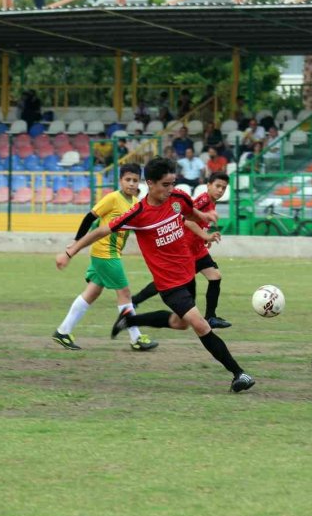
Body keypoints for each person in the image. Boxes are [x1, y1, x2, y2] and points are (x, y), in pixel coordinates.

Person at [56, 157, 255, 393]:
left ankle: (131, 319)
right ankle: (238, 374)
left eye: (172, 183)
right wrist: (70, 251)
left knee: (179, 324)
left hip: (187, 274)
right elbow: (100, 230)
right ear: (150, 183)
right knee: (200, 325)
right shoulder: (138, 212)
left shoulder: (178, 197)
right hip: (168, 284)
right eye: (165, 185)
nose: (170, 189)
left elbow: (189, 213)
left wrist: (204, 218)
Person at [52, 164, 157, 352]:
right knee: (124, 294)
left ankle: (63, 331)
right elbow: (90, 218)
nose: (132, 184)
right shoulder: (112, 198)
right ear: (120, 181)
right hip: (105, 252)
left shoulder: (135, 203)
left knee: (92, 293)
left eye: (135, 180)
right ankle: (136, 338)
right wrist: (75, 242)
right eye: (128, 180)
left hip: (112, 252)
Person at [129, 172, 232, 329]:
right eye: (217, 186)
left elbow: (198, 223)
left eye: (223, 188)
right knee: (167, 283)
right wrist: (205, 235)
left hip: (198, 249)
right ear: (208, 185)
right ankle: (134, 301)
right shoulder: (203, 200)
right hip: (187, 251)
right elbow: (187, 220)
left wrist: (204, 238)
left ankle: (211, 317)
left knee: (215, 276)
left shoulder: (211, 202)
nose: (220, 190)